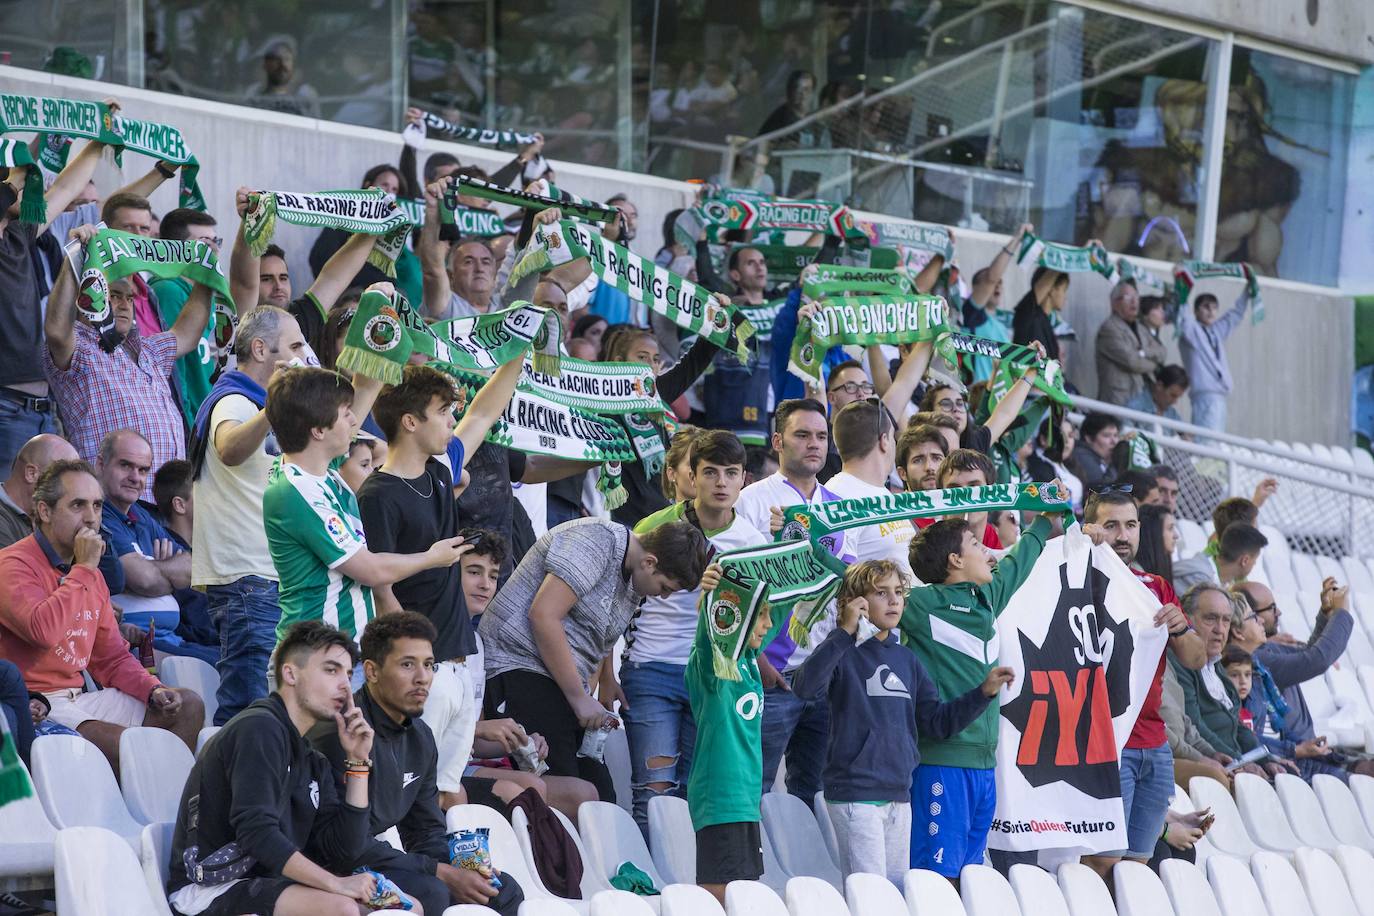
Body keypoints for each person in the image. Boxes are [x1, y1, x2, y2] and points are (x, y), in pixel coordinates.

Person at [358, 361, 522, 809]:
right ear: (411, 422)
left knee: (449, 791)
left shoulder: (437, 473)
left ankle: (454, 875)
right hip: (419, 672)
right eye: (443, 411)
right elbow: (380, 585)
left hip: (457, 666)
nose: (453, 420)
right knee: (408, 793)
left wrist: (519, 355)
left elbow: (484, 415)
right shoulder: (377, 494)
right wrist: (414, 663)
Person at [792, 559, 1011, 885]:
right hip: (855, 795)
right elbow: (805, 687)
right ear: (858, 602)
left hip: (899, 795)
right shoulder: (842, 652)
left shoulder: (907, 659)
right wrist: (844, 632)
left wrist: (983, 693)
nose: (894, 600)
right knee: (871, 899)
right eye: (882, 593)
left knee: (894, 895)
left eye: (898, 592)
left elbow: (937, 724)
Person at [309, 613, 525, 915]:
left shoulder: (421, 737)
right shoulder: (341, 732)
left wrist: (464, 869)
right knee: (432, 890)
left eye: (429, 665)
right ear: (371, 671)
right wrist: (439, 872)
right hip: (322, 865)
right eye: (407, 664)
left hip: (372, 858)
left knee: (501, 889)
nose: (422, 677)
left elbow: (425, 832)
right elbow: (342, 846)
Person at [480, 517, 707, 800]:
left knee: (602, 798)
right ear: (649, 562)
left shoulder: (634, 575)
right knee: (568, 793)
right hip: (517, 663)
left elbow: (597, 632)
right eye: (665, 588)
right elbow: (543, 615)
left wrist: (604, 679)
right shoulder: (595, 540)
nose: (662, 597)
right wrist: (579, 698)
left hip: (560, 681)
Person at [0, 459, 203, 774]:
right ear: (44, 511)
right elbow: (43, 631)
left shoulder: (89, 572)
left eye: (97, 505)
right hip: (36, 704)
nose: (92, 517)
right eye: (78, 505)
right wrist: (83, 569)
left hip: (80, 699)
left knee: (187, 706)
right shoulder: (13, 564)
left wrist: (152, 689)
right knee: (132, 747)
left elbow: (111, 658)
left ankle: (170, 813)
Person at [167, 622, 374, 916]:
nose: (344, 684)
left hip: (267, 882)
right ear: (290, 673)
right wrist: (336, 885)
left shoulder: (312, 758)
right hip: (210, 889)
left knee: (400, 907)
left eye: (349, 674)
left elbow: (342, 850)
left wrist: (358, 763)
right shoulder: (259, 728)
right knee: (342, 908)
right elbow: (256, 832)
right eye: (331, 670)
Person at [262, 357, 470, 650]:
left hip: (343, 652)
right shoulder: (295, 490)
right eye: (345, 413)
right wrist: (432, 557)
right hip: (314, 654)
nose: (354, 421)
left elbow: (368, 384)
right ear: (318, 431)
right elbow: (370, 570)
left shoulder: (320, 470)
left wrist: (386, 334)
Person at [618, 431, 764, 828]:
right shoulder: (655, 524)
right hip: (651, 669)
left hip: (713, 677)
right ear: (691, 476)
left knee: (694, 793)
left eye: (730, 473)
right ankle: (648, 888)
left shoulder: (753, 542)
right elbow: (619, 597)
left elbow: (759, 618)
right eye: (710, 472)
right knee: (653, 789)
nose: (720, 483)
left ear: (744, 480)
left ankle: (687, 885)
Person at [900, 505, 1056, 877]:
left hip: (986, 768)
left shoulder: (985, 600)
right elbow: (862, 585)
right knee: (935, 881)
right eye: (975, 543)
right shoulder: (920, 604)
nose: (988, 551)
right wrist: (807, 542)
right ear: (955, 560)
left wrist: (1046, 518)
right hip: (942, 763)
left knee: (970, 878)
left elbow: (1019, 562)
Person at [190, 306, 313, 723]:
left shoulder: (257, 404)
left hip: (269, 583)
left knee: (273, 716)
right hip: (249, 583)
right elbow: (228, 445)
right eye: (295, 346)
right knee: (248, 716)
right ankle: (223, 791)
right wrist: (272, 408)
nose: (303, 355)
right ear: (261, 349)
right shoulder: (235, 400)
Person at [1076, 489, 1206, 880]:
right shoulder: (1074, 577)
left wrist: (1181, 627)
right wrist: (1074, 541)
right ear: (1092, 527)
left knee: (1137, 866)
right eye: (1110, 525)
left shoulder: (1155, 586)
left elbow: (1196, 658)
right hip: (1103, 741)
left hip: (1154, 743)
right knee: (1100, 862)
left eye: (1130, 525)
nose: (1122, 535)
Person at [734, 399, 849, 806]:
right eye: (802, 435)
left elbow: (844, 589)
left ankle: (806, 868)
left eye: (821, 436)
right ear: (778, 441)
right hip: (772, 669)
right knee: (756, 786)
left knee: (815, 792)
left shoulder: (839, 508)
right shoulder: (750, 501)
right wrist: (758, 659)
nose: (813, 444)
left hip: (825, 672)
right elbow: (736, 586)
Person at [43, 224, 212, 495]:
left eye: (129, 298)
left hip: (166, 506)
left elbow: (188, 334)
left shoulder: (149, 351)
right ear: (89, 297)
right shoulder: (80, 349)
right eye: (112, 295)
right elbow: (55, 329)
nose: (123, 304)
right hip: (113, 506)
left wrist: (206, 276)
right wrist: (73, 260)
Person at [0, 130, 106, 474]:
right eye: (22, 182)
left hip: (42, 407)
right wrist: (18, 170)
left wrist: (99, 139)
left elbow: (64, 189)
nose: (31, 188)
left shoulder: (18, 233)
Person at [687, 560, 778, 904]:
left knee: (745, 893)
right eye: (762, 616)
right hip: (721, 798)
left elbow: (788, 602)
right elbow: (711, 642)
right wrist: (711, 598)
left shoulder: (750, 661)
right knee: (720, 895)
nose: (769, 625)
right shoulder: (714, 667)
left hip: (744, 801)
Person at [1236, 579, 1374, 781]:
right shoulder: (1255, 659)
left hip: (1312, 754)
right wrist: (1342, 613)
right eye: (1270, 608)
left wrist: (1325, 616)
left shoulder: (1265, 652)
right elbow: (1315, 660)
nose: (1278, 613)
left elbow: (1309, 654)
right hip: (1294, 761)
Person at [1168, 584, 1280, 778]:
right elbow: (1197, 726)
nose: (1220, 629)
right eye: (1210, 618)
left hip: (1232, 764)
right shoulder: (1180, 663)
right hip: (1208, 768)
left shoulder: (1218, 666)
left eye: (1226, 621)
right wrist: (1239, 762)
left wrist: (1266, 760)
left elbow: (1238, 727)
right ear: (1187, 619)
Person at [826, 399, 914, 578]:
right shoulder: (837, 498)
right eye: (892, 437)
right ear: (884, 441)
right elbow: (837, 577)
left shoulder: (881, 492)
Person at [153, 207, 224, 426]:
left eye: (216, 242)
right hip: (193, 428)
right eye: (204, 243)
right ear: (177, 249)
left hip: (215, 424)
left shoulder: (213, 294)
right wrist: (189, 428)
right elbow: (175, 368)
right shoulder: (167, 290)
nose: (213, 250)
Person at [960, 225, 1033, 384]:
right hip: (977, 397)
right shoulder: (971, 315)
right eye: (993, 284)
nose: (997, 285)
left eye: (1001, 283)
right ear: (978, 289)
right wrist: (1017, 238)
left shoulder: (1000, 326)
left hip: (999, 399)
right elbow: (991, 278)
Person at [1178, 290, 1252, 432]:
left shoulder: (1215, 332)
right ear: (1196, 310)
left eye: (1214, 308)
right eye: (1206, 307)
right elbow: (1184, 315)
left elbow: (1234, 316)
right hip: (1204, 395)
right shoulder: (1191, 332)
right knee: (1207, 442)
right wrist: (1181, 285)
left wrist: (1247, 293)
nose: (1211, 312)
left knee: (1215, 440)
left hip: (1220, 396)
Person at [0, 434, 79, 548]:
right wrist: (85, 562)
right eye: (64, 478)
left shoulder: (44, 514)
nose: (73, 490)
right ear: (31, 474)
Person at [1094, 281, 1164, 406]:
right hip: (1119, 400)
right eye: (1128, 298)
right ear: (1114, 303)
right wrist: (1155, 365)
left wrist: (1143, 353)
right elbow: (1132, 362)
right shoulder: (1109, 329)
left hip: (1143, 398)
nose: (1134, 302)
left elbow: (1162, 352)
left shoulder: (1141, 327)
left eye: (1136, 297)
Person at [1173, 523, 1267, 594]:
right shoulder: (1199, 578)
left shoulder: (1218, 582)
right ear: (1244, 560)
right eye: (1254, 561)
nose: (1254, 564)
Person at [243, 36, 321, 118]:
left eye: (286, 59)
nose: (282, 66)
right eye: (275, 60)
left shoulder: (305, 94)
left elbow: (315, 127)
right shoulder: (254, 92)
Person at [1011, 267, 1069, 361]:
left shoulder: (1046, 323)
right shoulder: (1028, 314)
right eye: (1064, 290)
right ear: (1051, 289)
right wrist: (1062, 261)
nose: (1065, 296)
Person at [1069, 412, 1121, 492]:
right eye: (1106, 435)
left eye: (1116, 435)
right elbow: (1103, 490)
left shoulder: (1104, 459)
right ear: (1089, 438)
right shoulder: (1081, 455)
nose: (1114, 441)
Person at [1126, 365, 1190, 425]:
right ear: (1159, 386)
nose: (1175, 402)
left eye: (1177, 397)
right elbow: (1127, 435)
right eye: (1172, 395)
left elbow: (1185, 433)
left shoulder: (1172, 413)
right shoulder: (1135, 407)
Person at [895, 423, 950, 494]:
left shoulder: (962, 503)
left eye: (937, 458)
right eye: (918, 460)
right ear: (903, 473)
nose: (929, 467)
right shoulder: (892, 505)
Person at [1136, 503, 1178, 581]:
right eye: (1170, 528)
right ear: (1155, 532)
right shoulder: (1138, 575)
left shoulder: (1162, 568)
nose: (1176, 536)